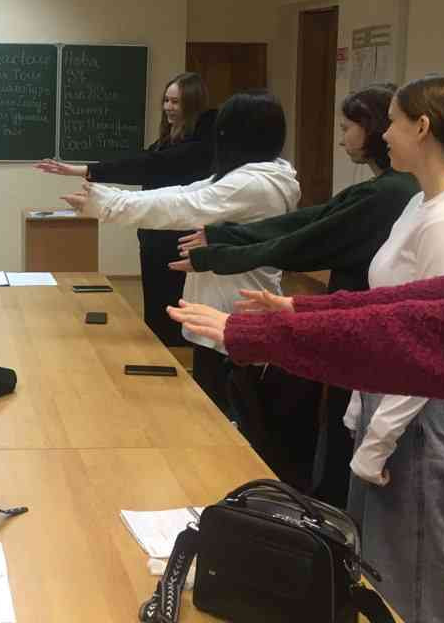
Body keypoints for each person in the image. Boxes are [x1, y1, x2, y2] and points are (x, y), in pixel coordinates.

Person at [172, 73, 444, 623]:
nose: (383, 133)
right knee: (371, 577)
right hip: (388, 411)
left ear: (423, 127)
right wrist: (298, 310)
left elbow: (426, 347)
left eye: (394, 122)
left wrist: (377, 441)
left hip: (417, 422)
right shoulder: (420, 205)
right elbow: (382, 307)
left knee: (412, 597)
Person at [170, 84, 418, 505]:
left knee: (341, 446)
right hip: (351, 332)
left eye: (348, 127)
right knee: (335, 433)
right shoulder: (385, 189)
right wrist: (222, 241)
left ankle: (326, 516)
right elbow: (307, 223)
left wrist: (220, 254)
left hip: (363, 341)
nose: (388, 134)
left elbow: (304, 240)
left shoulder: (392, 193)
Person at [61, 90, 299, 413]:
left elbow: (184, 207)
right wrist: (110, 198)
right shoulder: (252, 176)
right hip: (223, 308)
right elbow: (183, 192)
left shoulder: (252, 183)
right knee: (214, 403)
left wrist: (109, 205)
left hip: (235, 310)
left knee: (227, 411)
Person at [37, 72, 216, 347]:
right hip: (154, 234)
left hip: (178, 239)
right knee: (156, 307)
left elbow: (145, 167)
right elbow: (143, 161)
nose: (168, 107)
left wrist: (83, 170)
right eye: (166, 101)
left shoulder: (199, 146)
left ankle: (174, 355)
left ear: (192, 105)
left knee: (174, 311)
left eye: (176, 102)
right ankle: (158, 349)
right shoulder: (168, 140)